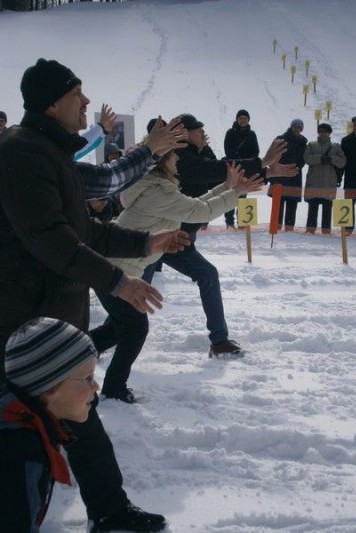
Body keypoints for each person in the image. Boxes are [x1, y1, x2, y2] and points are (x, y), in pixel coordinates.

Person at [0, 58, 189, 532]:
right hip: (21, 326)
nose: (86, 101)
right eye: (78, 93)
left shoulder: (49, 153)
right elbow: (50, 239)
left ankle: (110, 511)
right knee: (23, 432)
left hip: (50, 324)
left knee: (82, 415)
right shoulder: (21, 153)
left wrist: (148, 243)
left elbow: (87, 231)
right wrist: (119, 283)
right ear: (52, 102)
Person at [90, 154, 263, 402]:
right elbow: (199, 210)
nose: (177, 162)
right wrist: (236, 193)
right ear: (162, 163)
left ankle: (80, 348)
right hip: (118, 271)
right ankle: (114, 387)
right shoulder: (159, 192)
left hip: (117, 267)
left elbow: (193, 206)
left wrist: (227, 187)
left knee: (120, 328)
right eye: (173, 158)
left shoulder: (156, 187)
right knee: (135, 328)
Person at [150, 113, 297, 358]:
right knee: (130, 308)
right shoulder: (178, 158)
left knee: (208, 274)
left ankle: (219, 341)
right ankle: (93, 343)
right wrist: (261, 162)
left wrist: (268, 172)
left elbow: (225, 179)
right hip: (154, 240)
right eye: (198, 130)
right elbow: (215, 171)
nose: (203, 134)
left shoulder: (197, 155)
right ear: (185, 134)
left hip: (179, 241)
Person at [0, 317, 99, 532]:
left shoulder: (19, 421)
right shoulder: (20, 455)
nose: (96, 386)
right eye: (88, 377)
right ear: (50, 388)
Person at [303, 123, 346, 234]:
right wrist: (321, 158)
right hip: (314, 182)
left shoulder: (336, 146)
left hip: (329, 183)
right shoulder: (311, 145)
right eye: (320, 131)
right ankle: (310, 231)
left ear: (329, 133)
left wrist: (331, 159)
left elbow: (342, 162)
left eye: (325, 131)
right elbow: (306, 158)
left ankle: (326, 232)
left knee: (327, 210)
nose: (322, 133)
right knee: (312, 209)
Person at [268, 118, 307, 231]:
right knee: (278, 202)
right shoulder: (281, 139)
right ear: (291, 126)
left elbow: (303, 159)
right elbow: (272, 155)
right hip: (279, 174)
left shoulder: (303, 141)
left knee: (292, 201)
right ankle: (276, 227)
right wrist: (275, 169)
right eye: (295, 126)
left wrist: (296, 166)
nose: (297, 129)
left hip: (294, 174)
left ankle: (289, 228)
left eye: (300, 127)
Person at [223, 109, 260, 229]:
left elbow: (256, 151)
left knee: (243, 195)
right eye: (240, 118)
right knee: (231, 195)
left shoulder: (252, 134)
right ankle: (229, 222)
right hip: (234, 169)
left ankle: (243, 222)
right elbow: (228, 150)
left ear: (248, 120)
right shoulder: (230, 133)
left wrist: (248, 162)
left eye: (245, 118)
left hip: (246, 170)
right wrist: (240, 160)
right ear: (237, 120)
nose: (243, 120)